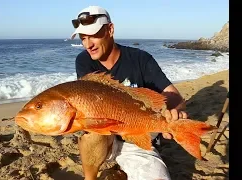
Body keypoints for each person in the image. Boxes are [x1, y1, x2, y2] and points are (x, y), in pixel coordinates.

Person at [70, 5, 188, 180]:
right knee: (92, 129)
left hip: (137, 138)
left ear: (110, 29)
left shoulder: (141, 59)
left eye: (94, 35)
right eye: (83, 38)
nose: (88, 44)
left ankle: (121, 172)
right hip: (105, 136)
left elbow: (174, 96)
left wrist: (175, 113)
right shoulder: (83, 61)